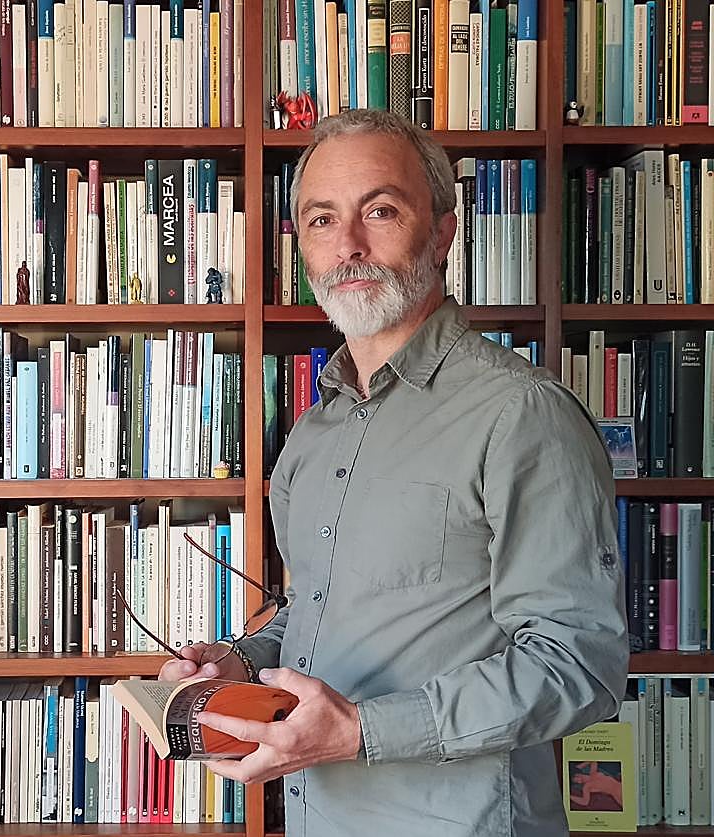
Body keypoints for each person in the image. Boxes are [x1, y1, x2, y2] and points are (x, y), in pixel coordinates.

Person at [158, 109, 629, 836]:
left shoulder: (521, 414)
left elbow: (579, 665)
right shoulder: (312, 436)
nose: (348, 244)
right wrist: (239, 664)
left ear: (441, 232)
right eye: (321, 219)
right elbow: (320, 611)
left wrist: (362, 731)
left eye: (380, 211)